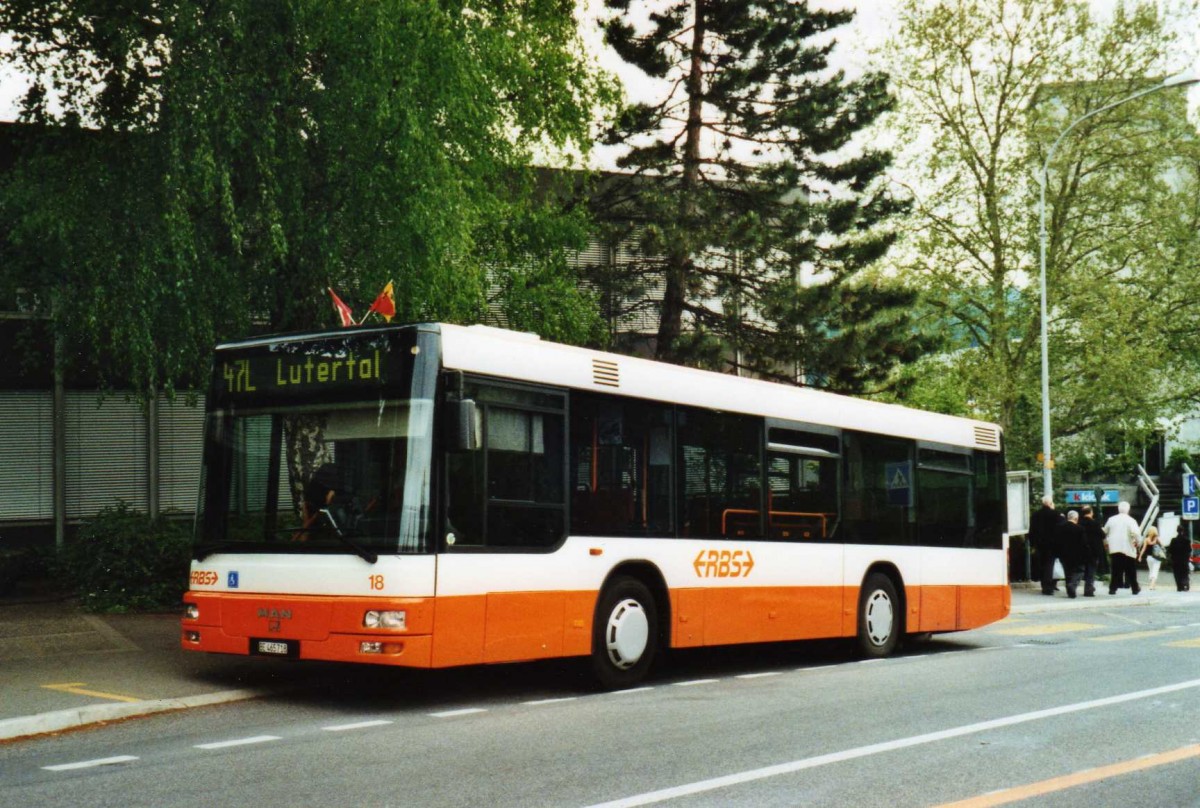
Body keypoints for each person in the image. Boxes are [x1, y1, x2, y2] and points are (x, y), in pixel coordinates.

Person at [1103, 501, 1142, 596]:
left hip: (1114, 548)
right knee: (1131, 570)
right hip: (1127, 548)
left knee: (1116, 570)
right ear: (1128, 510)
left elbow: (1105, 532)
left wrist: (1106, 544)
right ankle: (1135, 588)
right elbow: (1137, 534)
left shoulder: (1111, 519)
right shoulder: (1131, 520)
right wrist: (1138, 543)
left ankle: (1112, 588)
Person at [1029, 496, 1064, 595]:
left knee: (1042, 565)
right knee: (1049, 565)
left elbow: (1032, 531)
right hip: (1052, 545)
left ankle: (1044, 585)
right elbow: (1061, 529)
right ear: (1050, 503)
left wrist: (1033, 544)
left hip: (1039, 544)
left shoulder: (1035, 515)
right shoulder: (1056, 515)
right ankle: (1048, 588)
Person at [1054, 510, 1086, 598]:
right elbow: (1083, 543)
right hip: (1077, 555)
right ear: (1076, 518)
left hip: (1063, 554)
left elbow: (1056, 542)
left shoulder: (1059, 527)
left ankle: (1070, 591)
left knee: (1067, 572)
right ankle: (1072, 585)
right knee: (1079, 571)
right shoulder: (1080, 529)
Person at [1079, 505, 1105, 597]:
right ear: (1091, 512)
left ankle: (1077, 586)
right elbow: (1102, 535)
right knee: (1091, 570)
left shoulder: (1079, 523)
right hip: (1094, 550)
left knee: (1082, 569)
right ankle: (1088, 589)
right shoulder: (1095, 523)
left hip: (1081, 550)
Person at [1137, 526, 1163, 591]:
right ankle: (1151, 585)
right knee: (1155, 571)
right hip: (1156, 557)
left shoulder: (1146, 539)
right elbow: (1162, 545)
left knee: (1151, 570)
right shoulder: (1157, 539)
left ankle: (1153, 585)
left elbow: (1143, 549)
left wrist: (1140, 556)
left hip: (1149, 558)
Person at [1169, 523, 1192, 592]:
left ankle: (1179, 586)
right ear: (1183, 531)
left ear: (1177, 531)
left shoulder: (1173, 540)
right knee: (1184, 573)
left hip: (1175, 560)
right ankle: (1185, 584)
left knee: (1177, 573)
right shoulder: (1187, 540)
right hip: (1184, 560)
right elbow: (1189, 550)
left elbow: (1170, 550)